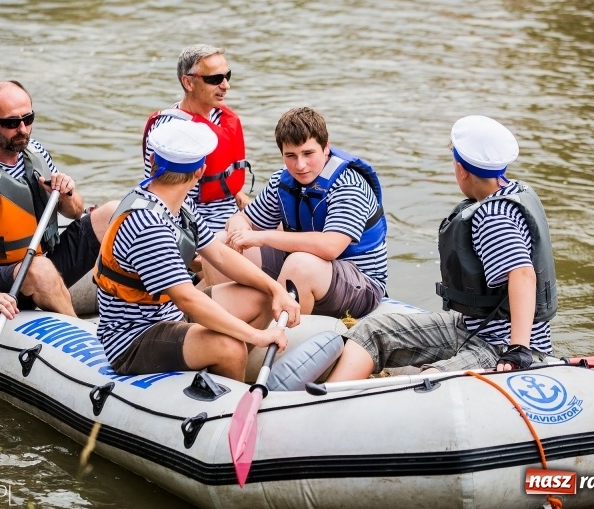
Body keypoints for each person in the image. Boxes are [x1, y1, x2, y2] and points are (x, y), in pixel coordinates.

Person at [326, 115, 558, 382]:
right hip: (472, 328)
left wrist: (518, 349)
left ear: (461, 169)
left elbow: (522, 274)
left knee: (431, 380)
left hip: (500, 345)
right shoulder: (513, 191)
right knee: (371, 332)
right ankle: (330, 398)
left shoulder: (493, 216)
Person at [96, 118, 300, 380]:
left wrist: (275, 289)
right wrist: (256, 336)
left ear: (153, 161)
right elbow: (187, 298)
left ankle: (214, 369)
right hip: (133, 337)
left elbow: (220, 255)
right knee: (230, 347)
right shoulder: (147, 224)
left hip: (171, 313)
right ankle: (225, 371)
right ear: (200, 172)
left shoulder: (179, 204)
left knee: (261, 297)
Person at [0, 80, 117, 321]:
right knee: (40, 268)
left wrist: (66, 193)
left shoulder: (33, 151)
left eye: (28, 118)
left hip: (42, 256)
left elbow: (75, 212)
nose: (23, 129)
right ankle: (84, 333)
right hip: (1, 280)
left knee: (115, 212)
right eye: (11, 123)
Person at [219, 107, 388, 319]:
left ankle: (290, 334)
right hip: (302, 265)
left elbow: (330, 247)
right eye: (291, 156)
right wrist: (238, 226)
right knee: (223, 242)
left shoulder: (349, 185)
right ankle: (227, 323)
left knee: (300, 265)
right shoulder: (282, 180)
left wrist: (262, 236)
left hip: (361, 283)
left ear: (326, 148)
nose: (300, 165)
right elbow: (245, 218)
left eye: (308, 154)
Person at [142, 44, 252, 233]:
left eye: (227, 76)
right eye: (215, 79)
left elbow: (220, 170)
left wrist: (237, 193)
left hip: (233, 212)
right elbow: (162, 200)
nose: (226, 85)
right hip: (199, 226)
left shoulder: (218, 115)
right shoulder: (171, 132)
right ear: (188, 83)